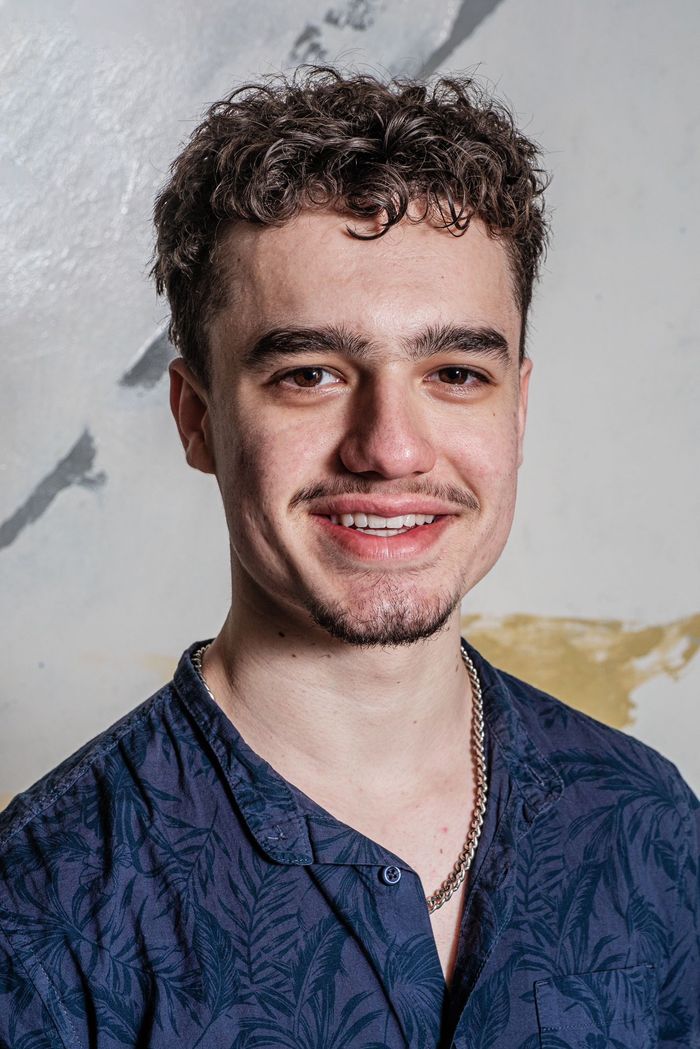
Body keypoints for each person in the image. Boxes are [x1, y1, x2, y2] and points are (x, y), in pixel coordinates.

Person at [0, 67, 697, 1049]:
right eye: (311, 373)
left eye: (456, 372)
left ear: (517, 409)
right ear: (197, 418)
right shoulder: (44, 907)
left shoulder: (648, 822)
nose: (391, 448)